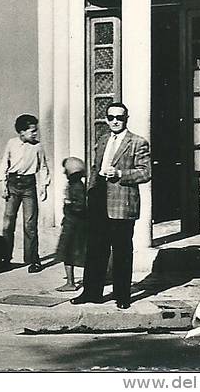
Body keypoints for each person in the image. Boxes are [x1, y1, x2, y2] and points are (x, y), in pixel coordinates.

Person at [72, 102, 151, 310]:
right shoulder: (103, 139)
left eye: (120, 117)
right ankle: (91, 293)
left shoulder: (137, 142)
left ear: (126, 119)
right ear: (107, 119)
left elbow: (146, 172)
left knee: (122, 251)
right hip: (99, 202)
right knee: (96, 249)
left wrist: (121, 175)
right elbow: (95, 167)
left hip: (122, 205)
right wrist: (90, 191)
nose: (115, 121)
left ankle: (122, 296)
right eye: (111, 117)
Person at [0, 113, 51, 273]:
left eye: (36, 131)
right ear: (22, 132)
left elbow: (43, 167)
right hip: (13, 184)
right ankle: (5, 258)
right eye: (32, 131)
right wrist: (2, 183)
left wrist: (43, 187)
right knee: (8, 224)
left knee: (30, 225)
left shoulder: (38, 147)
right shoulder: (11, 144)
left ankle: (33, 260)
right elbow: (4, 164)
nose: (35, 134)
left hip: (29, 185)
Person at [55, 157, 88, 292]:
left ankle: (70, 283)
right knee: (71, 252)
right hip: (73, 223)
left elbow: (80, 206)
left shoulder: (76, 186)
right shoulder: (76, 185)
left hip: (74, 224)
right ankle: (72, 281)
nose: (64, 172)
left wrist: (69, 203)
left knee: (69, 252)